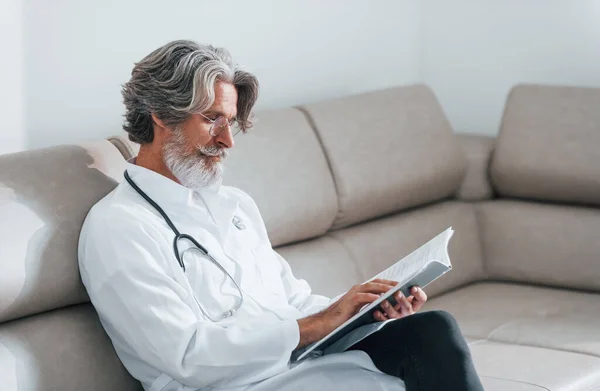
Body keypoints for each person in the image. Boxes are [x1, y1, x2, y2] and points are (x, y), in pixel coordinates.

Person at [78, 40, 484, 391]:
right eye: (212, 120)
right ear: (162, 115)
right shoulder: (119, 227)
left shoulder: (235, 205)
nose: (227, 141)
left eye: (232, 123)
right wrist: (316, 325)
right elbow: (185, 355)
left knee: (429, 331)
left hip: (292, 366)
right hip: (226, 384)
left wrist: (360, 310)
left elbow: (291, 300)